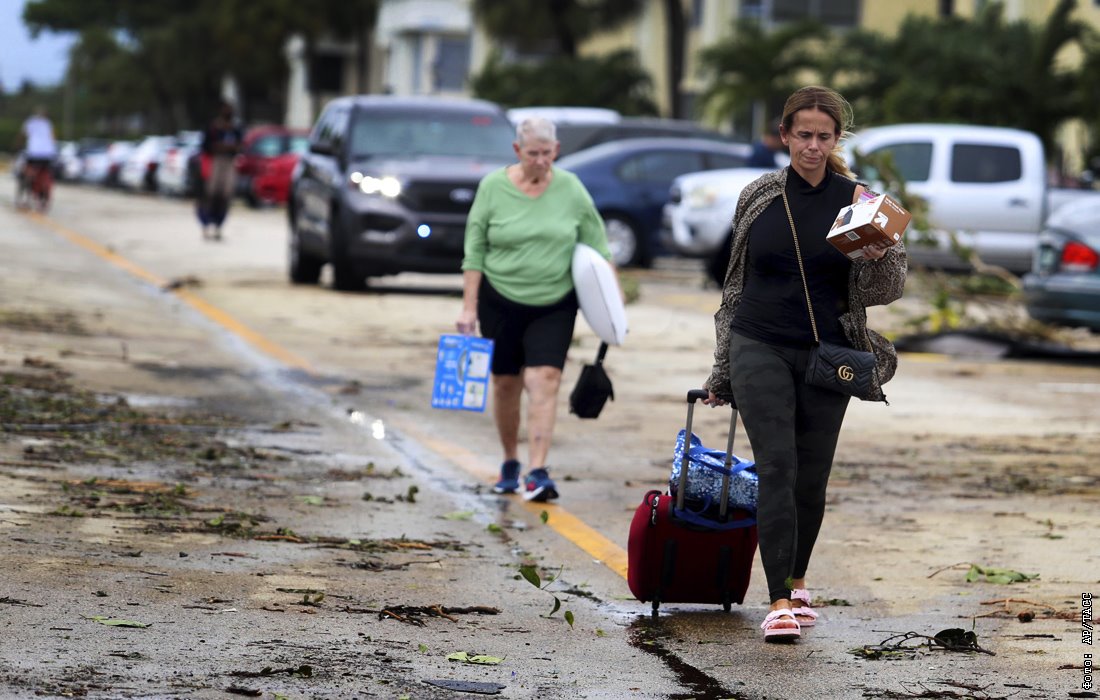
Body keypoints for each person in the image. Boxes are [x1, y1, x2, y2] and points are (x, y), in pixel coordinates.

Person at [702, 86, 907, 643]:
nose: (812, 146)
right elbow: (734, 286)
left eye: (824, 136)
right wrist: (722, 370)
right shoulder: (760, 195)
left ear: (836, 139)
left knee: (811, 478)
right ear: (785, 135)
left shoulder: (861, 203)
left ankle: (797, 579)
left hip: (827, 354)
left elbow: (887, 291)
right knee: (777, 467)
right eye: (803, 135)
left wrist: (878, 256)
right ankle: (778, 601)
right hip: (757, 343)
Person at [457, 117, 615, 503]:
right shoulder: (492, 188)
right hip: (500, 300)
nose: (541, 161)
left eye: (548, 153)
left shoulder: (572, 189)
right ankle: (511, 461)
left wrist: (614, 306)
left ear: (556, 151)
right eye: (533, 154)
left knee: (544, 379)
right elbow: (474, 250)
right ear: (517, 151)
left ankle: (538, 469)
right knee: (506, 383)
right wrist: (468, 307)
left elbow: (599, 247)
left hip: (555, 302)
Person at [197, 100, 242, 240]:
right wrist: (219, 147)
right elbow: (206, 146)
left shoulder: (235, 128)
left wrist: (229, 147)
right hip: (214, 163)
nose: (228, 113)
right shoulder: (213, 128)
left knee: (225, 195)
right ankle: (205, 224)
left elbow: (240, 146)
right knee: (211, 194)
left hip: (229, 163)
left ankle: (218, 225)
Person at [16, 106, 57, 210]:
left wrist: (17, 145)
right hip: (48, 154)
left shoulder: (30, 122)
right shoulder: (48, 123)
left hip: (34, 153)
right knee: (46, 173)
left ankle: (25, 198)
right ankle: (44, 197)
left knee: (26, 173)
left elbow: (22, 135)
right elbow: (53, 138)